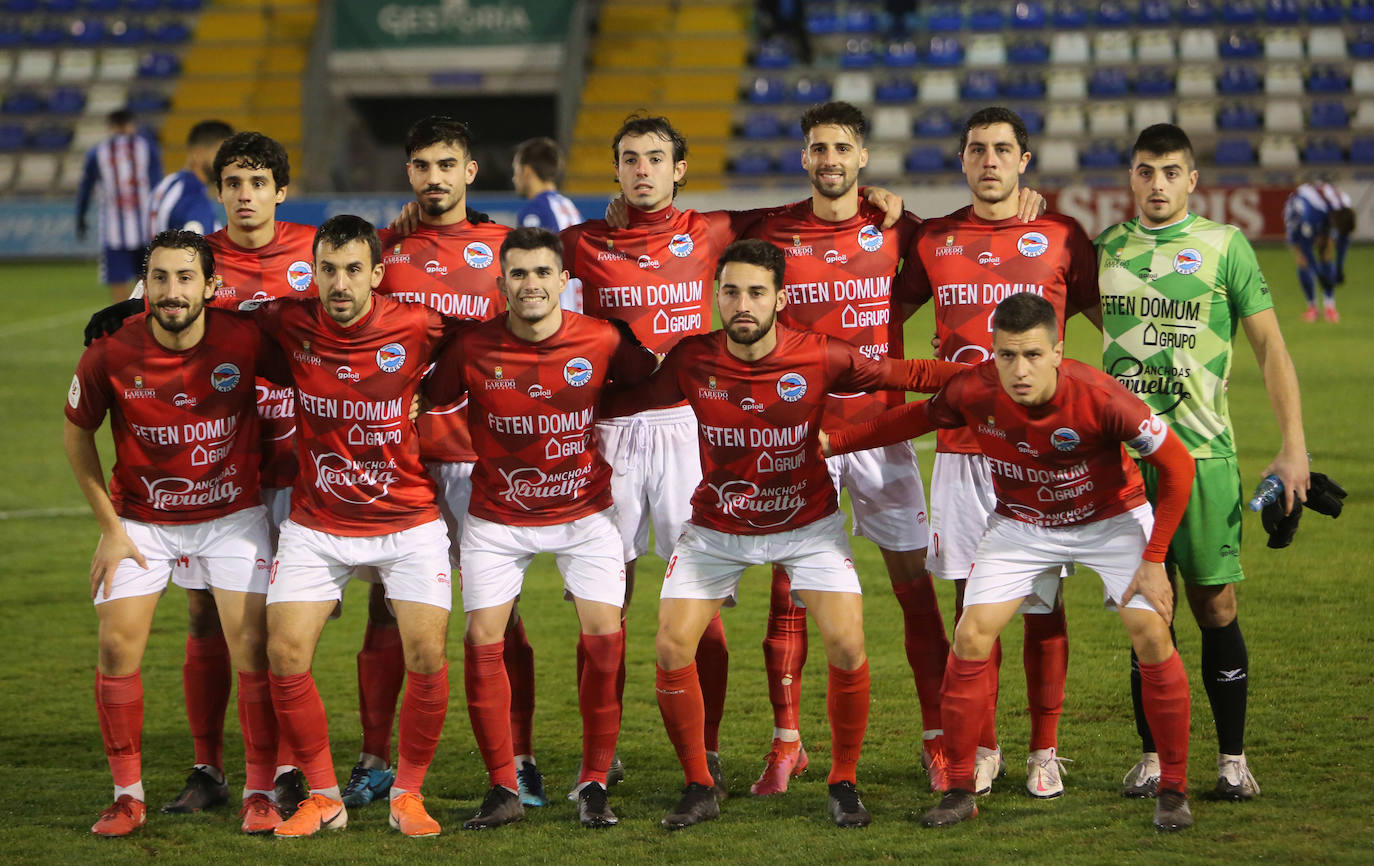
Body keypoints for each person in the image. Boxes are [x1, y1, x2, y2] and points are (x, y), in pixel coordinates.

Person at [562, 113, 904, 792]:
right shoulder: (581, 242)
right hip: (612, 434)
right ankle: (598, 758)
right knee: (606, 598)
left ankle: (708, 748)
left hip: (694, 423)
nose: (642, 170)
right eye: (629, 159)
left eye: (655, 158)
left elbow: (801, 208)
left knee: (701, 595)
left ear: (679, 169)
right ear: (616, 168)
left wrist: (873, 201)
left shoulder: (716, 230)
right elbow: (513, 265)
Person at [603, 239, 957, 829]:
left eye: (756, 292)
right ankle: (699, 783)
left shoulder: (819, 355)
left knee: (847, 644)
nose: (743, 304)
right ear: (716, 296)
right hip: (717, 527)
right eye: (732, 292)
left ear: (780, 299)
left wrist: (990, 374)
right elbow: (627, 398)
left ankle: (844, 781)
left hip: (807, 527)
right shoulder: (693, 359)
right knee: (669, 646)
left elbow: (908, 372)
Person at [825, 291, 1198, 832]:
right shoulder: (974, 388)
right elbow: (913, 419)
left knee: (1150, 632)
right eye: (1006, 356)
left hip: (1110, 519)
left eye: (1032, 355)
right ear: (992, 352)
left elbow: (1178, 464)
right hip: (1022, 523)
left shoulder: (1102, 398)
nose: (1019, 370)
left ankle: (1174, 788)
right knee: (972, 635)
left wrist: (1156, 557)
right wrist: (834, 442)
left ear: (1057, 351)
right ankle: (958, 788)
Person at [1097, 123, 1310, 802]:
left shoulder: (1225, 247)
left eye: (1169, 172)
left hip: (1204, 454)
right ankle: (1156, 757)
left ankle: (1232, 759)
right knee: (1144, 613)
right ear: (1129, 179)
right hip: (1128, 463)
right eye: (1144, 171)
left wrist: (1294, 444)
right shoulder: (1104, 251)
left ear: (1192, 180)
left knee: (1214, 606)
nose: (1156, 184)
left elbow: (1271, 348)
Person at [893, 106, 1101, 799]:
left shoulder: (1062, 235)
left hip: (1040, 449)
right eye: (977, 149)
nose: (990, 160)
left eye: (1002, 149)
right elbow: (877, 310)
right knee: (970, 603)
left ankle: (1046, 749)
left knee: (1042, 601)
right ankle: (983, 746)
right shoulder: (934, 238)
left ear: (1024, 161)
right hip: (960, 448)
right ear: (962, 160)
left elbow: (1112, 320)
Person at [425, 227, 658, 829]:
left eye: (542, 273)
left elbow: (648, 382)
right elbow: (427, 400)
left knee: (605, 637)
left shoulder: (603, 338)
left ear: (564, 281)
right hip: (497, 518)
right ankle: (503, 787)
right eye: (519, 275)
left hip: (585, 513)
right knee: (483, 639)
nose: (531, 284)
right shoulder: (472, 348)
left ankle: (594, 781)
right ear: (501, 284)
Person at [249, 214, 464, 838]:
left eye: (351, 270)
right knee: (284, 653)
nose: (339, 284)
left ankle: (409, 794)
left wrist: (435, 392)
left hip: (408, 517)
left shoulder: (418, 323)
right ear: (312, 272)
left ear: (376, 273)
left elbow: (480, 342)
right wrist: (120, 320)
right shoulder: (289, 322)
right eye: (327, 270)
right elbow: (215, 327)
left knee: (426, 655)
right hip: (317, 521)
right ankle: (323, 796)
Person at [65, 230, 284, 836]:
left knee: (254, 651)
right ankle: (127, 795)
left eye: (186, 278)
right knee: (115, 648)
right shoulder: (110, 352)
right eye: (160, 278)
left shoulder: (244, 339)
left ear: (211, 288)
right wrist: (109, 528)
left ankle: (260, 791)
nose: (172, 291)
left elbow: (312, 380)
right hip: (141, 524)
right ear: (145, 286)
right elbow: (77, 433)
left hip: (231, 520)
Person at [336, 115, 521, 811]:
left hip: (483, 457)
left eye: (447, 164)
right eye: (422, 166)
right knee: (385, 610)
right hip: (402, 459)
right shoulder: (386, 257)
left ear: (471, 171)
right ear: (409, 174)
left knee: (498, 616)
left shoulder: (506, 250)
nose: (435, 178)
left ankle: (518, 761)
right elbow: (338, 303)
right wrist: (384, 237)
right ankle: (374, 760)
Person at [159, 131, 315, 818]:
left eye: (258, 182)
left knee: (285, 627)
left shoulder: (318, 250)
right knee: (205, 615)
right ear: (217, 191)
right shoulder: (194, 263)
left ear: (281, 190)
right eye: (233, 183)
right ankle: (208, 767)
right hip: (225, 469)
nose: (245, 195)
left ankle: (291, 765)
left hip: (312, 465)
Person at [76, 108, 163, 303]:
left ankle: (123, 325)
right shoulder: (147, 148)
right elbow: (158, 187)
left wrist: (80, 217)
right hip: (145, 228)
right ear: (132, 124)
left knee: (118, 281)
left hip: (114, 230)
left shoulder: (97, 152)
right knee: (147, 278)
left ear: (110, 126)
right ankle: (146, 322)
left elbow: (85, 188)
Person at [1282, 178, 1355, 323]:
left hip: (1323, 212)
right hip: (1297, 214)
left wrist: (1340, 269)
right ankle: (1312, 307)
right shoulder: (1310, 212)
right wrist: (1319, 274)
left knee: (1326, 252)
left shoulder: (1345, 204)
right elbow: (1305, 247)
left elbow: (1343, 240)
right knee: (1302, 259)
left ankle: (1329, 306)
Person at [149, 120, 234, 235]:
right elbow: (197, 251)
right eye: (221, 155)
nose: (227, 163)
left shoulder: (167, 183)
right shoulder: (195, 200)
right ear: (198, 155)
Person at [513, 137, 583, 231]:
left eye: (516, 170)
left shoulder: (535, 210)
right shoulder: (569, 205)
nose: (514, 178)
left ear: (526, 171)